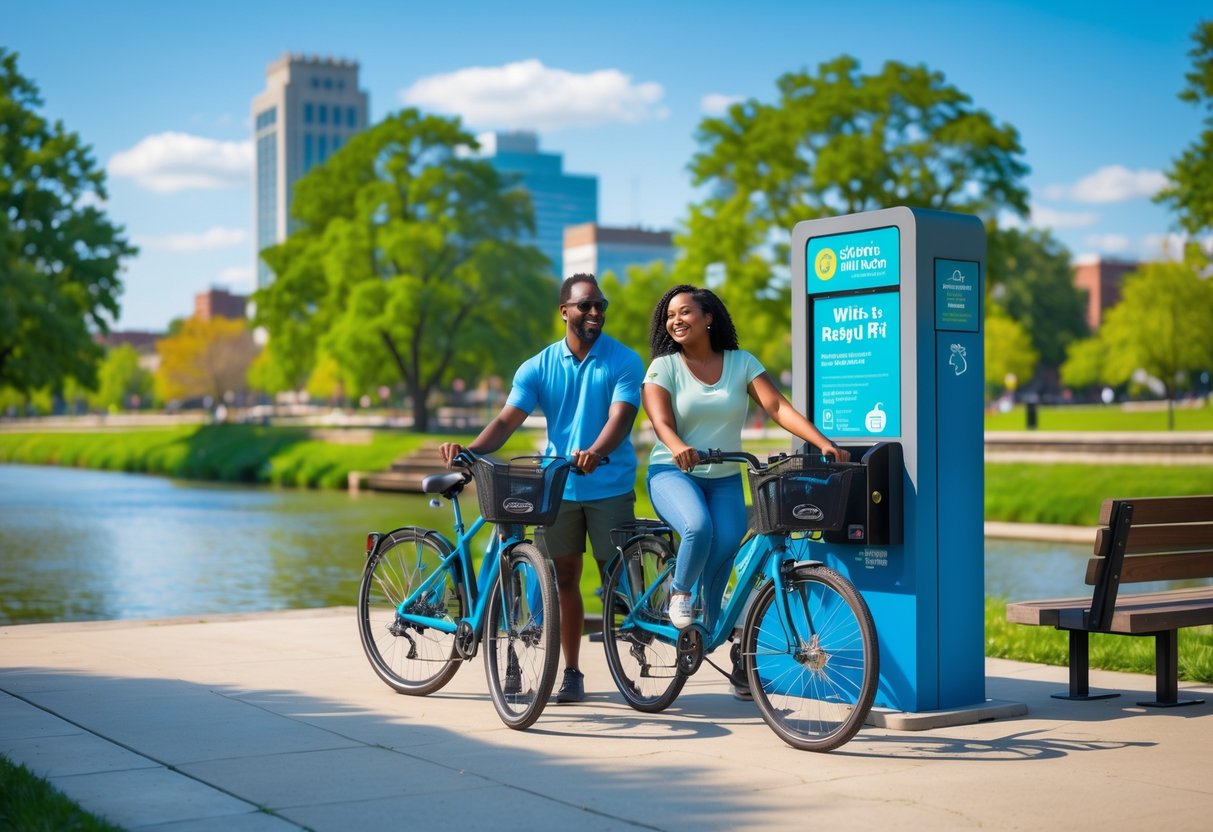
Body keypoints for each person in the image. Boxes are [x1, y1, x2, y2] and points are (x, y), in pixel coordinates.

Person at [439, 274, 644, 704]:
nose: (594, 313)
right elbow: (506, 421)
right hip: (560, 487)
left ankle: (633, 654)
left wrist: (595, 450)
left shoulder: (623, 360)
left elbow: (621, 418)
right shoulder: (538, 366)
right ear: (564, 311)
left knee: (617, 578)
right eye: (585, 305)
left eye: (600, 305)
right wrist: (471, 452)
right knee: (563, 578)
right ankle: (572, 672)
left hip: (609, 481)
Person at [641, 284, 848, 699]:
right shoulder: (665, 367)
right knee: (698, 528)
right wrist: (678, 445)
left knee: (727, 546)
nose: (676, 320)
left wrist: (821, 441)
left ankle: (708, 628)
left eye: (685, 312)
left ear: (708, 317)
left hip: (723, 477)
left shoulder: (741, 363)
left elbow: (777, 407)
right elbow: (659, 419)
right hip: (673, 471)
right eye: (670, 316)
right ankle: (678, 594)